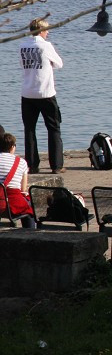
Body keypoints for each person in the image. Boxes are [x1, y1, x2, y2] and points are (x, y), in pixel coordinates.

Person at [19, 18, 64, 174]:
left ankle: (32, 164)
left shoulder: (23, 45)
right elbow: (59, 63)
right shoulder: (46, 46)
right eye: (47, 30)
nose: (48, 33)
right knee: (53, 128)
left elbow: (22, 64)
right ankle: (56, 165)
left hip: (27, 93)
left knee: (29, 130)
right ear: (41, 31)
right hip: (45, 93)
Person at [0, 133, 36, 228]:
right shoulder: (21, 162)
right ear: (12, 147)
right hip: (12, 204)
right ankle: (30, 234)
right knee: (29, 208)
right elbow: (23, 189)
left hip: (1, 202)